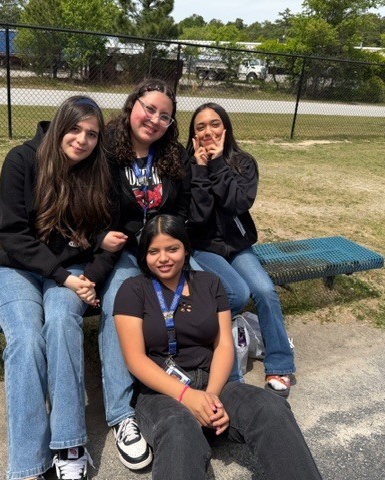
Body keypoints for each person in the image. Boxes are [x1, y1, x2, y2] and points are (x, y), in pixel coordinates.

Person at [113, 214, 323, 480]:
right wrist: (187, 397)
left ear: (186, 249)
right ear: (144, 255)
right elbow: (135, 359)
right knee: (179, 429)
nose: (163, 258)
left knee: (271, 408)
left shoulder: (210, 284)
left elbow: (224, 344)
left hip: (215, 383)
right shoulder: (133, 290)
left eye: (172, 249)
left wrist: (210, 397)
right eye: (154, 251)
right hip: (161, 393)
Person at [0, 96, 118, 480]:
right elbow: (11, 233)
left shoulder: (98, 171)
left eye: (92, 134)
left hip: (73, 270)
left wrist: (88, 276)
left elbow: (107, 239)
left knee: (61, 322)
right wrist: (64, 277)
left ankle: (69, 443)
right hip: (18, 269)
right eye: (75, 129)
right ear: (61, 125)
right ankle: (29, 465)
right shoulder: (22, 160)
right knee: (26, 339)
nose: (82, 140)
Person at [96, 78, 191, 470]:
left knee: (218, 291)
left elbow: (182, 207)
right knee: (115, 308)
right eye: (148, 108)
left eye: (164, 116)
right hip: (124, 252)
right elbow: (90, 201)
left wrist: (168, 244)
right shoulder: (104, 148)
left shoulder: (173, 155)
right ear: (132, 104)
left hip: (163, 248)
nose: (154, 119)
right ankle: (122, 415)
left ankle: (185, 377)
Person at [186, 102, 297, 397]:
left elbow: (237, 204)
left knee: (264, 291)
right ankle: (228, 346)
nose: (208, 131)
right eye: (200, 127)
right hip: (203, 247)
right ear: (193, 135)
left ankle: (280, 363)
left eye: (214, 124)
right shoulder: (188, 165)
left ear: (225, 128)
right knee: (237, 293)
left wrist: (219, 163)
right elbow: (198, 216)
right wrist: (199, 169)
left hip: (237, 245)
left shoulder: (243, 163)